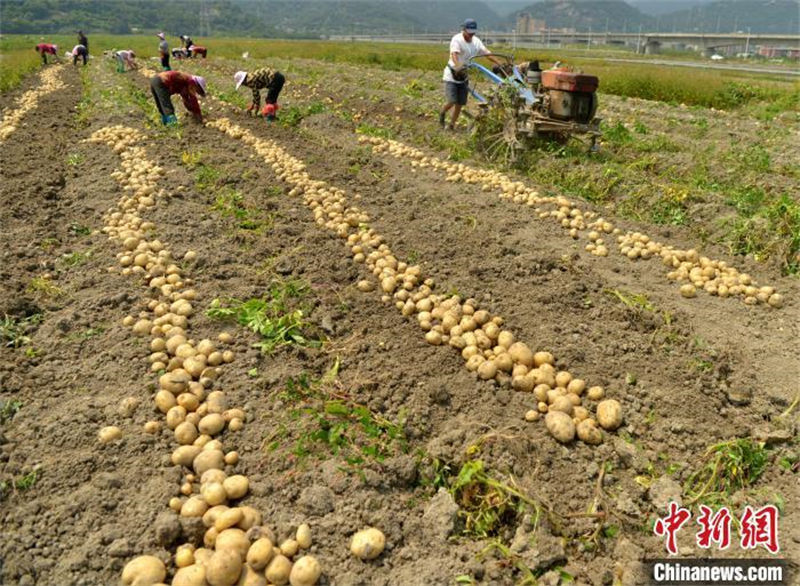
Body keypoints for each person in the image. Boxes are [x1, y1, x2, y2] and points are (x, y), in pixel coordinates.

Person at [439, 19, 498, 130]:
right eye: (469, 31)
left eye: (473, 32)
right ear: (464, 29)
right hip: (452, 75)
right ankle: (442, 112)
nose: (471, 34)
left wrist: (499, 62)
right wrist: (458, 66)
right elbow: (454, 54)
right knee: (452, 100)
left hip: (464, 75)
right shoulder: (457, 39)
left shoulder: (476, 41)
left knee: (460, 103)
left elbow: (487, 53)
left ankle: (451, 125)